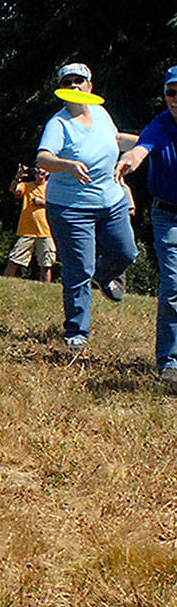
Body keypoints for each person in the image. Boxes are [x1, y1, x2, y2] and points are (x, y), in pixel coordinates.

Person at [36, 62, 137, 349]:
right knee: (78, 268)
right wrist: (67, 165)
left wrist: (145, 146)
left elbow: (116, 139)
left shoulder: (102, 114)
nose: (74, 86)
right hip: (70, 208)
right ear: (61, 89)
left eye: (79, 81)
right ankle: (76, 333)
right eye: (67, 82)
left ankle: (104, 277)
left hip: (111, 201)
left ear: (89, 86)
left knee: (126, 252)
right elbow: (42, 158)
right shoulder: (58, 124)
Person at [115, 65, 177, 382]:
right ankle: (170, 363)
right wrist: (129, 161)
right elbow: (142, 147)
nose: (176, 98)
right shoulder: (160, 125)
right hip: (168, 217)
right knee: (172, 288)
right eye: (171, 92)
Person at [3, 164, 56, 282]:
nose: (39, 175)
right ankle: (5, 283)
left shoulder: (51, 188)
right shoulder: (26, 186)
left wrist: (42, 202)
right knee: (14, 261)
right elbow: (13, 190)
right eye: (37, 172)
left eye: (42, 173)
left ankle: (45, 290)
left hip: (45, 232)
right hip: (27, 231)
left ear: (47, 174)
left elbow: (56, 206)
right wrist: (18, 177)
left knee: (46, 265)